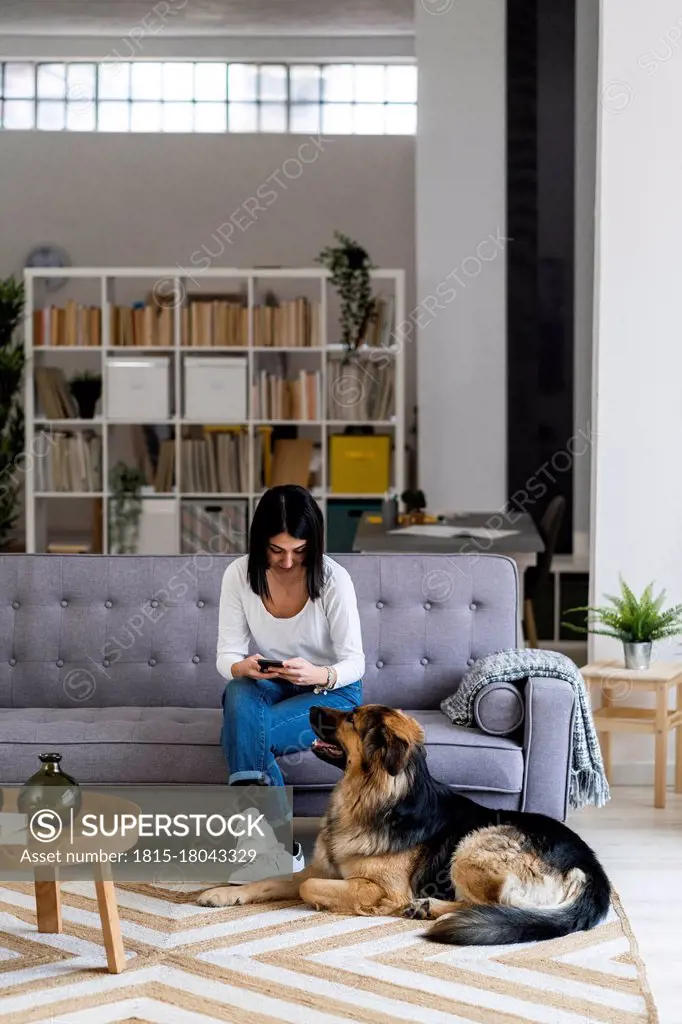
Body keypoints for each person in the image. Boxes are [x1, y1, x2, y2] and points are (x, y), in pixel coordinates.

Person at [216, 484, 365, 879]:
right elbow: (226, 655)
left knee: (243, 732)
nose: (286, 562)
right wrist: (241, 667)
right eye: (276, 550)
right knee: (237, 690)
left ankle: (267, 844)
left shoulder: (335, 579)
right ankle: (275, 846)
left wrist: (320, 674)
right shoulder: (238, 575)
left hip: (333, 691)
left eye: (299, 551)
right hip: (274, 682)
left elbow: (356, 663)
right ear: (259, 542)